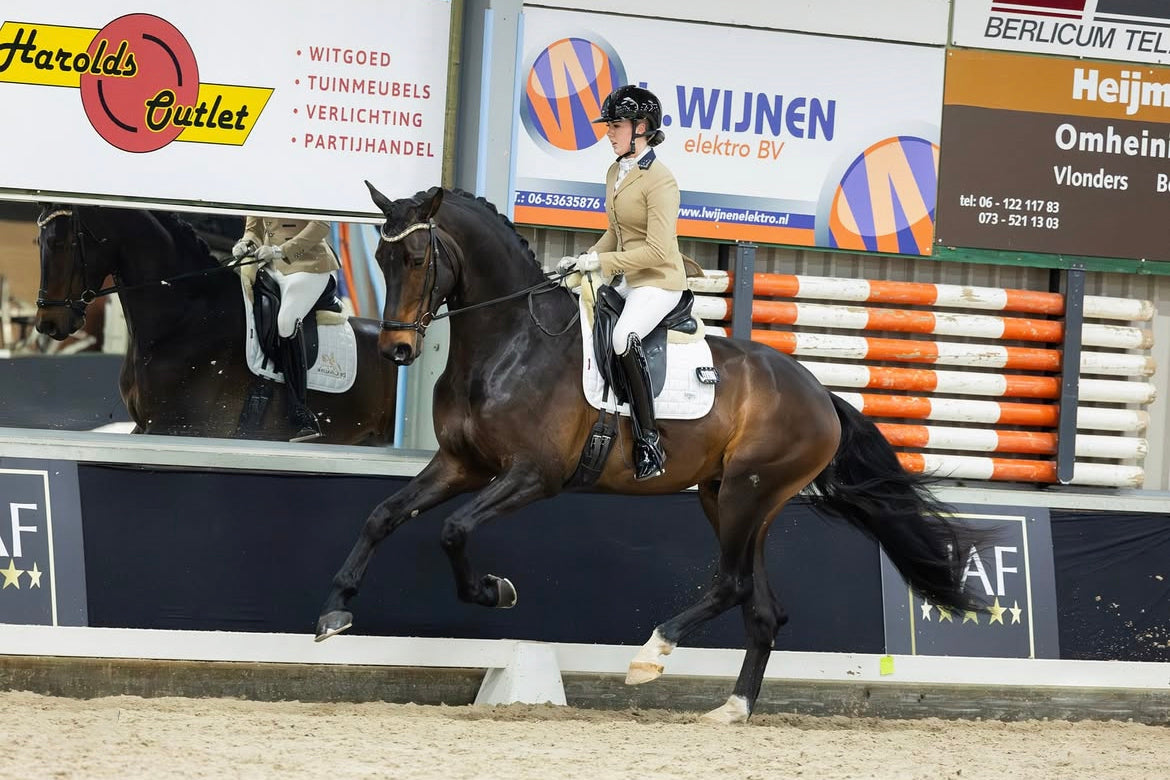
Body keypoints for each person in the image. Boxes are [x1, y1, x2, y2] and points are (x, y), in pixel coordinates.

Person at [557, 85, 687, 481]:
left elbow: (658, 250)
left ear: (641, 128)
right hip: (629, 277)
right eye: (609, 126)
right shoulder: (615, 170)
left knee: (622, 337)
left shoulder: (661, 181)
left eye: (616, 126)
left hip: (659, 282)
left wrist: (603, 262)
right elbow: (615, 233)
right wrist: (581, 260)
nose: (609, 133)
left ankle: (650, 442)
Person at [232, 217, 340, 442]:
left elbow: (321, 226)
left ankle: (301, 413)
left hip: (307, 265)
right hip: (270, 267)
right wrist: (246, 244)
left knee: (286, 322)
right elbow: (253, 230)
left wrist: (282, 250)